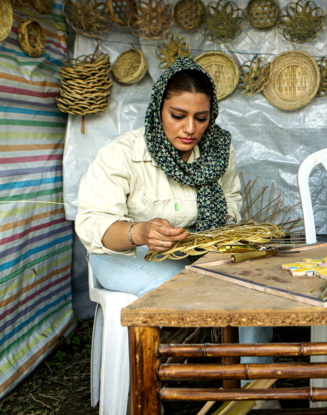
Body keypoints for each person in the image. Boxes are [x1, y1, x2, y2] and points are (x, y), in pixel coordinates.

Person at [75, 56, 274, 378]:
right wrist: (139, 232)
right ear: (158, 110)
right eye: (178, 116)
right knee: (177, 290)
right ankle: (153, 391)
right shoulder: (122, 153)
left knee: (249, 287)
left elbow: (232, 198)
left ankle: (254, 389)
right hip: (122, 256)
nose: (190, 129)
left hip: (196, 253)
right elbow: (92, 224)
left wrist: (222, 230)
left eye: (202, 117)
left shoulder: (218, 152)